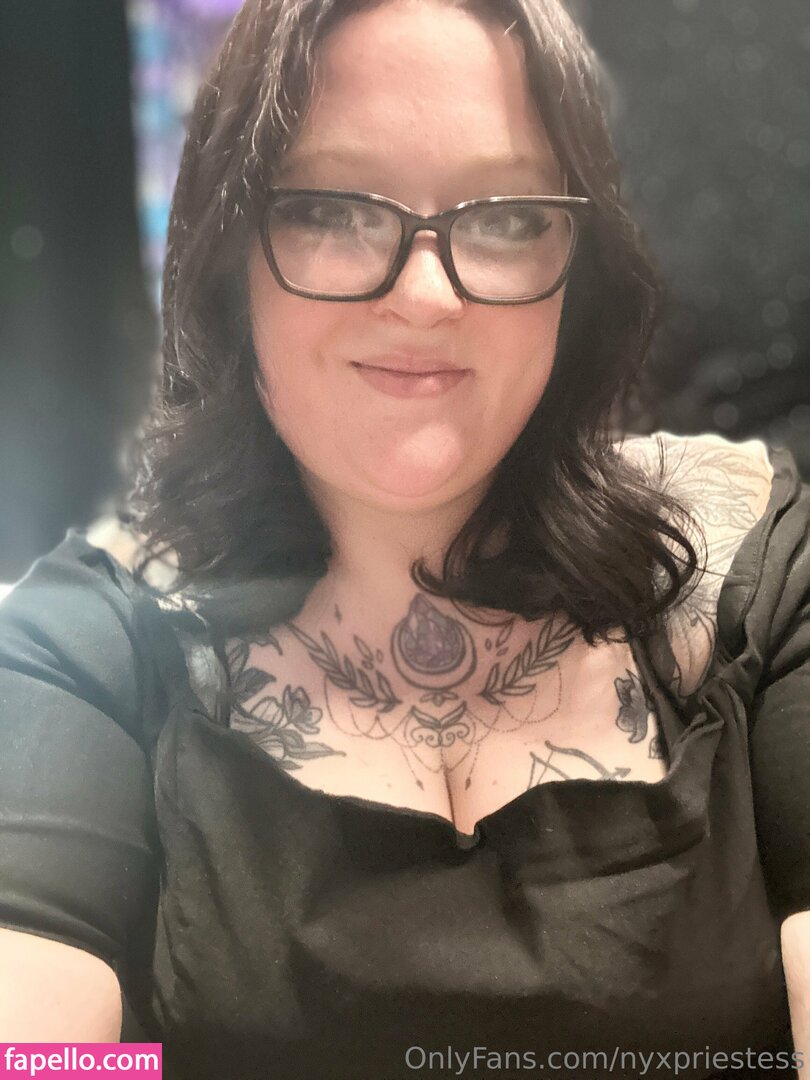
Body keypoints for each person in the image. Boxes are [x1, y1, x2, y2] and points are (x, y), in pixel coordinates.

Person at [1, 0, 809, 1075]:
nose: (426, 295)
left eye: (507, 217)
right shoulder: (83, 645)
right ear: (228, 256)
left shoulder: (753, 564)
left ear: (579, 267)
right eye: (335, 210)